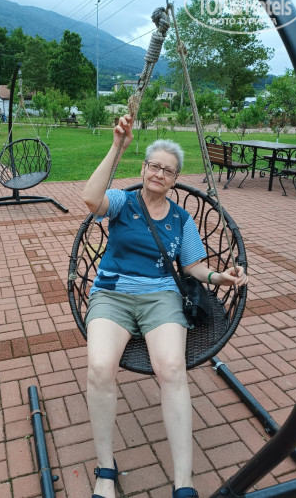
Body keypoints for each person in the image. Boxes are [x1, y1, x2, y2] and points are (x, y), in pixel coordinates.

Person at [82, 115, 248, 498]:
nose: (159, 173)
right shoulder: (123, 202)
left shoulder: (181, 219)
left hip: (161, 298)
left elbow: (192, 267)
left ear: (175, 179)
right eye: (154, 166)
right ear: (143, 169)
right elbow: (91, 199)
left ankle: (183, 482)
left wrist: (220, 277)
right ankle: (105, 468)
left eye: (168, 170)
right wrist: (117, 146)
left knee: (172, 370)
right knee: (100, 368)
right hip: (112, 295)